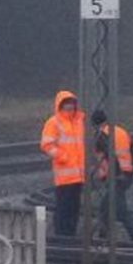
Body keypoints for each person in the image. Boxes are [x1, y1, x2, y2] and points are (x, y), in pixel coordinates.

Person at [91, 110, 133, 242]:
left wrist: (116, 174)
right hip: (126, 174)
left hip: (115, 176)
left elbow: (110, 155)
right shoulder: (120, 131)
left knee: (119, 210)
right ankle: (104, 236)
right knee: (107, 207)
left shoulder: (101, 136)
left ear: (94, 124)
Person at [40, 91, 85, 237]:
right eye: (66, 103)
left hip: (78, 175)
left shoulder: (79, 121)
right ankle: (61, 235)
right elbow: (46, 145)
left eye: (71, 103)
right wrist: (63, 156)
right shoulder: (54, 122)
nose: (69, 106)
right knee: (63, 207)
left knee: (74, 208)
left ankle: (69, 234)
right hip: (64, 175)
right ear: (60, 105)